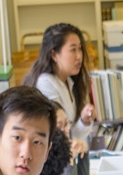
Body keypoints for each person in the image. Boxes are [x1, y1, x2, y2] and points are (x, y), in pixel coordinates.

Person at [23, 21, 95, 158]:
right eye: (73, 49)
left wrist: (84, 121)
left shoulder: (68, 81)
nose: (79, 56)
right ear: (54, 55)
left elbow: (71, 133)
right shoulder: (46, 83)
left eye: (80, 49)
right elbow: (59, 135)